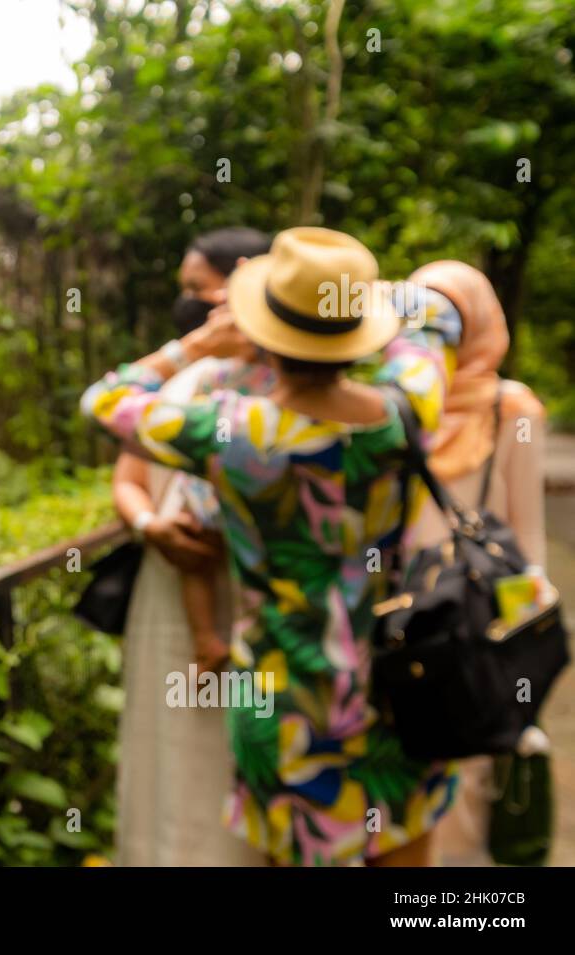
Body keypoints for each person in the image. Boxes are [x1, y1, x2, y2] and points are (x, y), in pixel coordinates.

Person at [83, 227, 463, 866]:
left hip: (282, 702)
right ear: (355, 335)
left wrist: (198, 342)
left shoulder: (229, 430)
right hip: (396, 683)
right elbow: (427, 321)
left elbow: (105, 400)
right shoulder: (403, 415)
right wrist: (348, 299)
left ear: (265, 335)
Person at [113, 227, 272, 866]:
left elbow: (103, 398)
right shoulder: (175, 378)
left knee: (237, 754)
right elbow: (126, 481)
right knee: (169, 748)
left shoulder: (283, 384)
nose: (192, 305)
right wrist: (152, 526)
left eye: (198, 289)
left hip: (253, 599)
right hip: (169, 591)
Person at [402, 261, 549, 866]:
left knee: (468, 788)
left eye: (449, 319)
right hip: (406, 624)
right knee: (412, 789)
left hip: (474, 621)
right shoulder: (397, 402)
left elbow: (527, 540)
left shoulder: (509, 408)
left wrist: (518, 659)